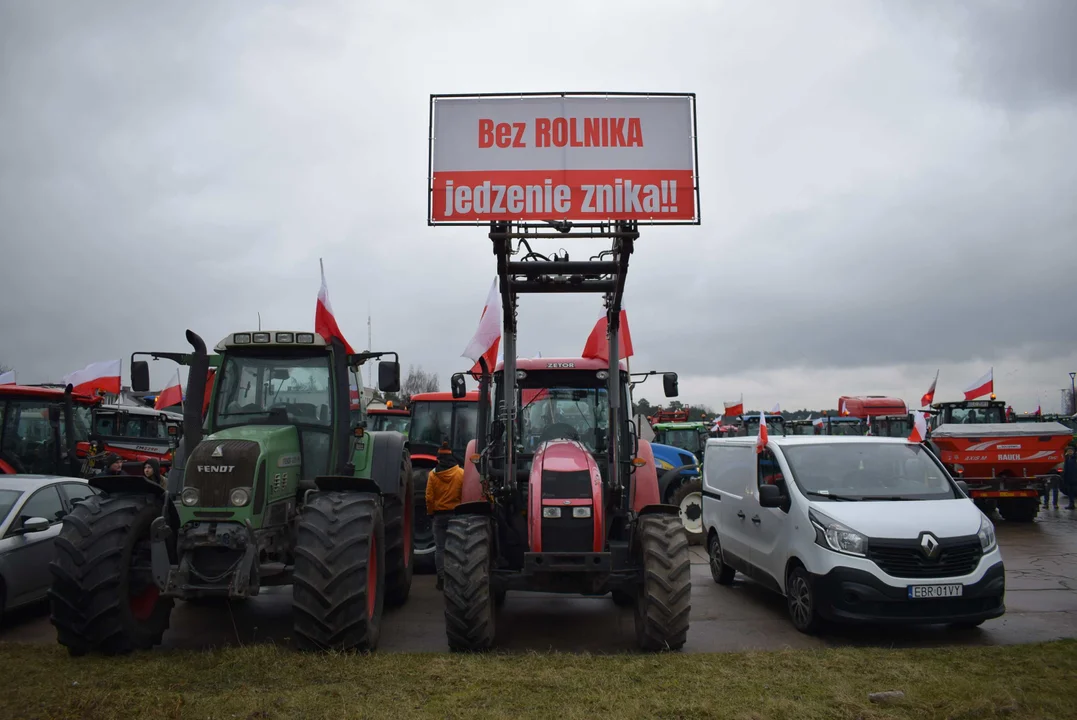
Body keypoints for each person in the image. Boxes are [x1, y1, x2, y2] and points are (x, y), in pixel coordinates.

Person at [426, 441, 463, 591]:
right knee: (456, 548)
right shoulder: (461, 473)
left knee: (440, 548)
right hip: (456, 515)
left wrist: (430, 512)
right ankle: (456, 578)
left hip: (439, 516)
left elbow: (429, 497)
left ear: (439, 458)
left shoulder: (432, 475)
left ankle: (441, 578)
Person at [1062, 446, 1076, 511]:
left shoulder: (1075, 459)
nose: (1070, 452)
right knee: (1070, 492)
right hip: (1068, 478)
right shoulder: (1067, 459)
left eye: (1071, 451)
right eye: (1068, 451)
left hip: (1075, 478)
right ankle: (1071, 504)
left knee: (1073, 491)